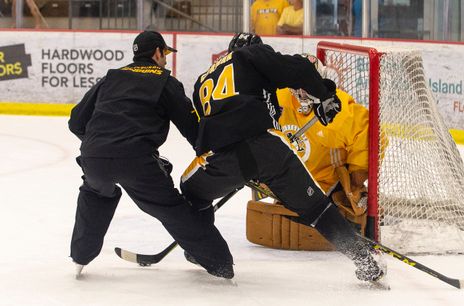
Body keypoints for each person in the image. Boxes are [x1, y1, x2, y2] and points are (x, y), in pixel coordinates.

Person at [180, 32, 384, 283]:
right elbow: (297, 67)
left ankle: (205, 252)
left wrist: (237, 169)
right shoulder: (252, 54)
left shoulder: (201, 81)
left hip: (222, 157)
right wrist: (325, 95)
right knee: (317, 209)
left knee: (191, 189)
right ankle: (365, 260)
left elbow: (206, 127)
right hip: (268, 150)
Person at [68, 31, 233, 280]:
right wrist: (221, 155)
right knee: (172, 209)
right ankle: (220, 263)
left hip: (94, 156)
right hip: (136, 160)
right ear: (157, 53)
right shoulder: (165, 81)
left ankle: (80, 256)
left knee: (96, 194)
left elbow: (76, 121)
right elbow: (192, 129)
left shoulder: (111, 77)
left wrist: (102, 146)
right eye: (165, 54)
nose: (165, 59)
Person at [246, 55, 370, 251]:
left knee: (346, 207)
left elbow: (366, 133)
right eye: (297, 85)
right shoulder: (277, 97)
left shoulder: (336, 105)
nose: (302, 93)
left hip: (327, 183)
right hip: (288, 179)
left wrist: (357, 177)